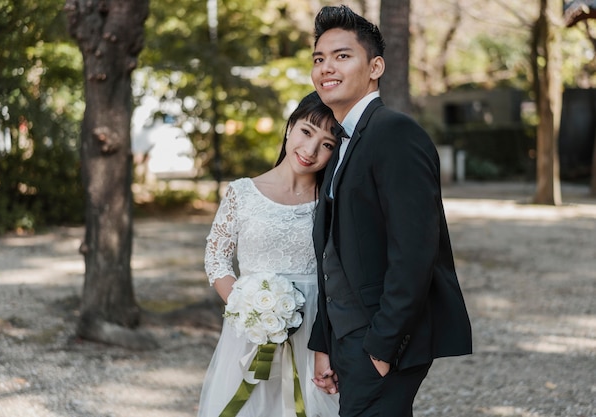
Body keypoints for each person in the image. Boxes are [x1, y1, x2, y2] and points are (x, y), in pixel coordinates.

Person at [307, 5, 473, 417]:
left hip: (380, 344)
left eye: (342, 56)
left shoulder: (395, 133)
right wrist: (325, 343)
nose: (327, 67)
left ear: (375, 66)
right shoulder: (343, 142)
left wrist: (381, 349)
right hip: (348, 341)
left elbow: (415, 251)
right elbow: (334, 251)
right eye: (319, 58)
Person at [198, 92, 341, 417]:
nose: (310, 150)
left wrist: (327, 344)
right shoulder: (242, 192)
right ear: (290, 127)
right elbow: (216, 257)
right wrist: (247, 308)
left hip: (315, 330)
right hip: (251, 328)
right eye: (306, 132)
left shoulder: (331, 201)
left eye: (327, 144)